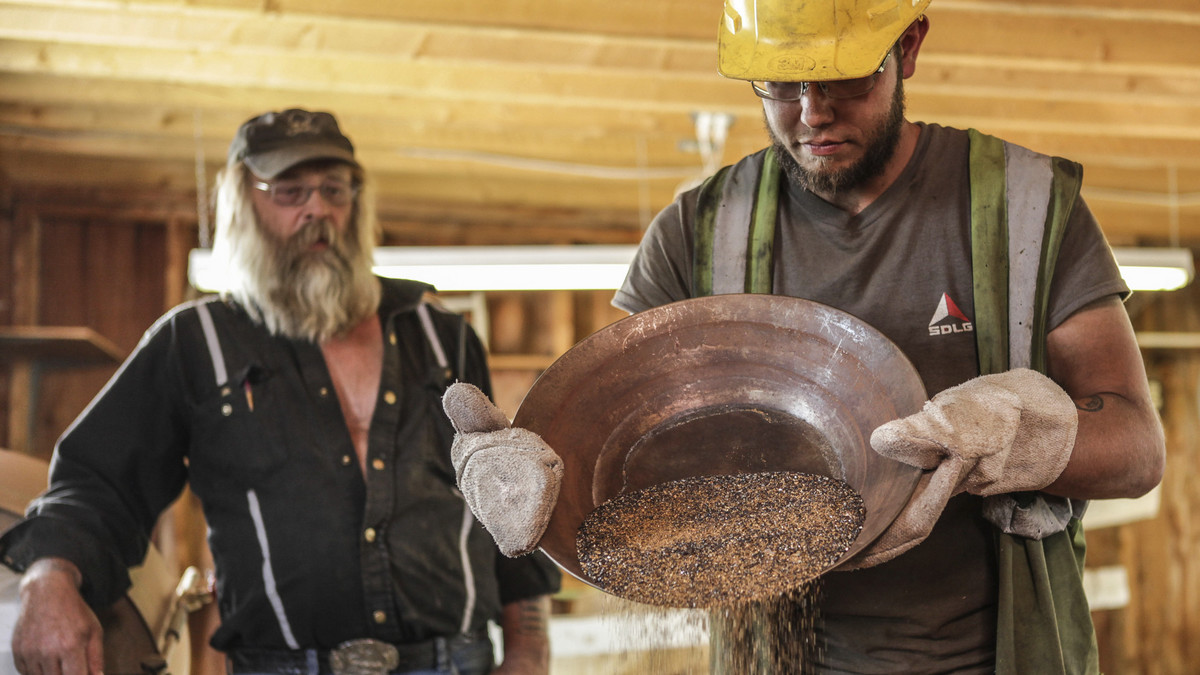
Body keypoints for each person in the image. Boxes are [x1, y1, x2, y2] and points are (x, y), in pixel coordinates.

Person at [442, 1, 1166, 673]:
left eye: (841, 76)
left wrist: (1018, 432)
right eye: (779, 82)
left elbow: (1136, 448)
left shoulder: (1026, 207)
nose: (811, 112)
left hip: (995, 650)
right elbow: (619, 443)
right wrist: (524, 473)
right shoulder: (696, 235)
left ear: (907, 47)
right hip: (774, 652)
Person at [0, 108, 560, 675]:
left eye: (333, 189)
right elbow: (98, 481)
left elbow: (511, 498)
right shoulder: (194, 343)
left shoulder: (443, 338)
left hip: (458, 662)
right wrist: (49, 577)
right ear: (244, 203)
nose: (316, 208)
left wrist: (529, 650)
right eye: (289, 191)